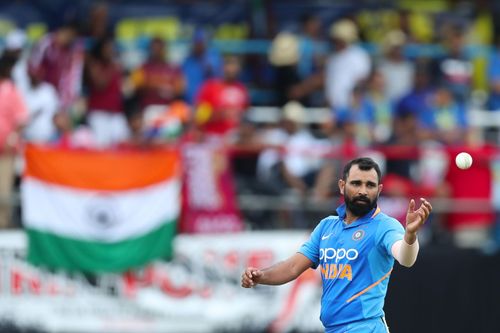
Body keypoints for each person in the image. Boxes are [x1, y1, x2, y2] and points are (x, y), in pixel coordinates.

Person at [241, 157, 432, 333]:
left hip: (365, 328)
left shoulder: (384, 225)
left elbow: (406, 258)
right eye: (356, 183)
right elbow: (292, 267)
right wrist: (261, 276)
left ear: (379, 190)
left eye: (370, 185)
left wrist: (410, 235)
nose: (363, 191)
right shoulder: (327, 227)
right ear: (342, 186)